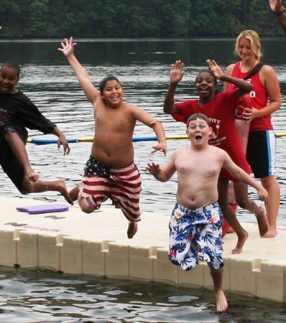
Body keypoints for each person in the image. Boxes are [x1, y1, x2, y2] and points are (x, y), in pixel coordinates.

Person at [147, 113, 268, 313]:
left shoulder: (218, 154)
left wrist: (258, 186)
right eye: (192, 126)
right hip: (182, 213)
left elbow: (238, 172)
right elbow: (164, 177)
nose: (197, 129)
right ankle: (196, 247)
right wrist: (156, 173)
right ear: (187, 133)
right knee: (177, 258)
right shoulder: (179, 154)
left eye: (202, 126)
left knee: (215, 256)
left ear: (210, 132)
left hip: (209, 211)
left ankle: (218, 290)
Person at [58, 37, 167, 239]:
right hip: (97, 165)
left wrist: (161, 141)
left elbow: (155, 123)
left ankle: (132, 222)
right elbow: (83, 77)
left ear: (122, 90)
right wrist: (71, 56)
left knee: (133, 210)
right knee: (87, 207)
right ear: (102, 93)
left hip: (124, 170)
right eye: (109, 89)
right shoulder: (97, 103)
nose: (114, 92)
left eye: (117, 88)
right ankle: (85, 188)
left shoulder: (130, 110)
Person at [163, 59, 268, 254]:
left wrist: (223, 76)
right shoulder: (191, 107)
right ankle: (241, 232)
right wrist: (173, 84)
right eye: (199, 81)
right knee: (221, 203)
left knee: (242, 201)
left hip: (234, 158)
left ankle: (259, 212)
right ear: (195, 86)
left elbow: (247, 87)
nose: (203, 84)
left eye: (208, 81)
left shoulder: (225, 99)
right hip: (213, 162)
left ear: (215, 85)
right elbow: (168, 109)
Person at [225, 30, 281, 238]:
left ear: (256, 48)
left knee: (266, 178)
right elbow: (226, 100)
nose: (244, 51)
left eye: (248, 47)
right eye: (241, 47)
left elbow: (276, 102)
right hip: (237, 133)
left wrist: (258, 112)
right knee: (233, 177)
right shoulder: (231, 69)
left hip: (260, 131)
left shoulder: (265, 71)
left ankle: (272, 223)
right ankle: (230, 222)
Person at [0, 62, 72, 203]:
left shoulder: (21, 101)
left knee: (8, 131)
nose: (5, 82)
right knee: (26, 187)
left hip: (14, 137)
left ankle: (28, 169)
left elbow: (40, 120)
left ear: (17, 80)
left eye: (10, 78)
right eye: (3, 77)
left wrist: (60, 134)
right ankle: (58, 185)